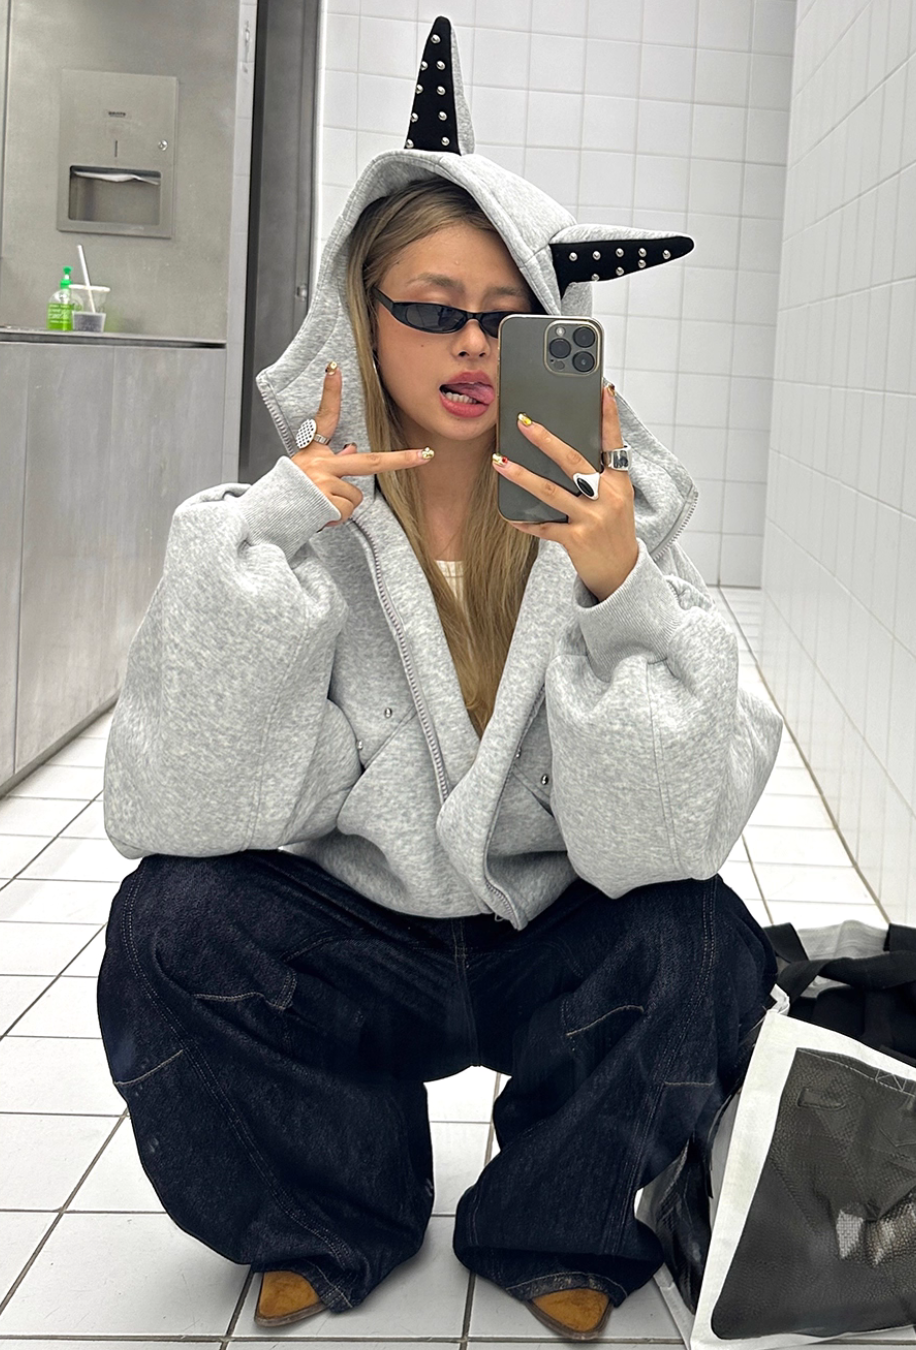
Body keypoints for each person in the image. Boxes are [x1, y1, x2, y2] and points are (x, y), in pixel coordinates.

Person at [97, 18, 782, 1344]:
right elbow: (186, 806)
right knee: (169, 923)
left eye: (509, 317)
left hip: (547, 936)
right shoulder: (281, 529)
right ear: (361, 314)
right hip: (360, 936)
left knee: (705, 942)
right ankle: (329, 1206)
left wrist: (619, 588)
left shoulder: (618, 524)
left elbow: (661, 843)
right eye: (432, 309)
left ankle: (561, 1218)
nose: (473, 344)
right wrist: (271, 542)